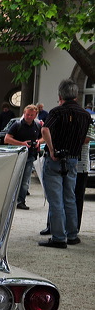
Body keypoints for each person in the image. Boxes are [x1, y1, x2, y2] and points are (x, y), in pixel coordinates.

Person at [38, 79, 91, 248]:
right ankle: (72, 234)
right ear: (76, 95)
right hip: (74, 158)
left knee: (56, 200)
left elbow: (45, 129)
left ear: (60, 95)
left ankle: (59, 237)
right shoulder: (85, 114)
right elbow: (87, 138)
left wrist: (52, 150)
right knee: (70, 198)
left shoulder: (56, 112)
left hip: (56, 159)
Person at [3, 105, 42, 210]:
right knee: (14, 179)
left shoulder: (37, 126)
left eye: (31, 115)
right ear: (24, 113)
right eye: (27, 114)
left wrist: (39, 142)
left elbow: (43, 137)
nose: (29, 117)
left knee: (25, 180)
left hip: (30, 156)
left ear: (35, 115)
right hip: (17, 156)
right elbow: (7, 139)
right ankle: (10, 200)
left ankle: (21, 201)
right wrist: (21, 143)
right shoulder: (17, 125)